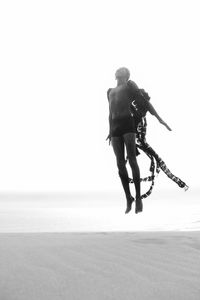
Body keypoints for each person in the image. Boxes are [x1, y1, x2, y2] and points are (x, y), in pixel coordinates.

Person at [107, 67, 171, 214]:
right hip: (115, 128)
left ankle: (138, 197)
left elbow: (145, 102)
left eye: (122, 71)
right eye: (118, 71)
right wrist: (110, 131)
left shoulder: (130, 85)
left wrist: (160, 119)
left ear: (126, 75)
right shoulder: (109, 91)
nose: (118, 72)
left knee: (132, 160)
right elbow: (110, 113)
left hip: (128, 124)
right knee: (120, 163)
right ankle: (128, 198)